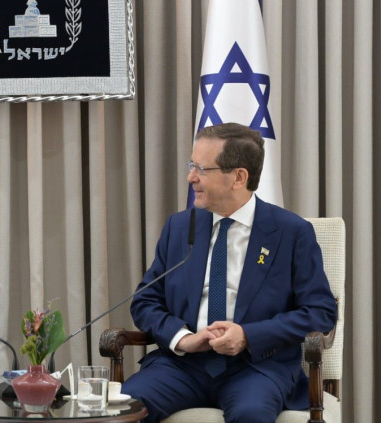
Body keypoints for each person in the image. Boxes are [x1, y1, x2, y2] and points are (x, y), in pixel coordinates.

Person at [123, 123, 337, 423]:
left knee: (250, 414)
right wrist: (182, 338)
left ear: (239, 177)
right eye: (191, 165)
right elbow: (145, 301)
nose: (191, 177)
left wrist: (248, 335)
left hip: (257, 367)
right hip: (183, 366)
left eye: (201, 169)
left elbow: (320, 312)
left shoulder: (291, 232)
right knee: (125, 409)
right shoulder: (180, 227)